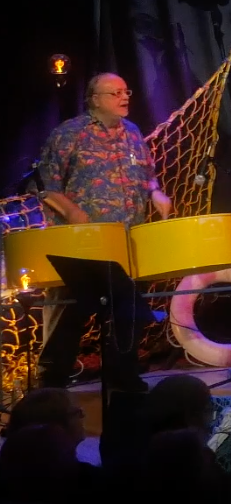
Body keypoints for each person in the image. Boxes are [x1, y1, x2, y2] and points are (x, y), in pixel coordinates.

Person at [32, 73, 173, 393]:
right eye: (115, 93)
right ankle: (51, 383)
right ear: (94, 99)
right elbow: (44, 184)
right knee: (69, 309)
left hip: (125, 239)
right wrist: (70, 210)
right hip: (81, 244)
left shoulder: (132, 132)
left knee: (126, 310)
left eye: (126, 91)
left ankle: (123, 376)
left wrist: (156, 192)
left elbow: (148, 175)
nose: (125, 97)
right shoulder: (70, 133)